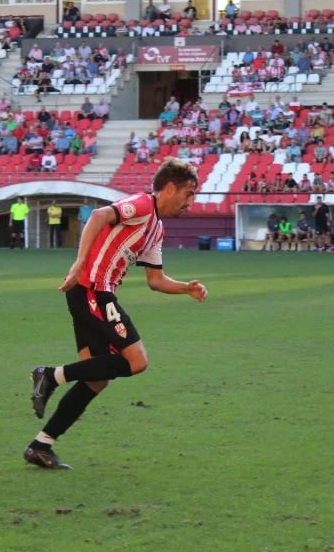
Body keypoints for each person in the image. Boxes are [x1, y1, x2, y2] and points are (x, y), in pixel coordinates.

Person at [25, 159, 208, 469]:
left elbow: (155, 280)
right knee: (137, 361)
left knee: (96, 379)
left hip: (92, 293)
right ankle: (50, 375)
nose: (190, 202)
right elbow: (99, 215)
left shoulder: (155, 229)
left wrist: (185, 289)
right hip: (92, 290)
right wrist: (80, 263)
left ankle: (40, 446)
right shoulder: (141, 204)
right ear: (169, 188)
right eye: (188, 194)